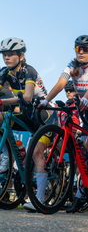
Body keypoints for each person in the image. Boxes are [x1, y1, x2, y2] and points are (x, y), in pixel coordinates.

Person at [39, 35, 88, 213]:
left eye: (85, 49)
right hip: (86, 111)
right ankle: (81, 196)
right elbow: (61, 83)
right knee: (84, 157)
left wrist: (86, 98)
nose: (80, 52)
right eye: (78, 49)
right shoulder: (71, 65)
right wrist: (46, 100)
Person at [0, 37, 57, 211]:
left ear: (21, 56)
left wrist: (3, 102)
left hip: (46, 118)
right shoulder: (5, 73)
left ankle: (39, 199)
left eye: (11, 54)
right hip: (28, 116)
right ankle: (6, 155)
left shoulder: (29, 71)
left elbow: (27, 98)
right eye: (4, 55)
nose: (6, 58)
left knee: (37, 152)